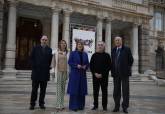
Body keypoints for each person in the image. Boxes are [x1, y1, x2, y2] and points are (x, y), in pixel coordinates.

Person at [29, 35, 52, 110]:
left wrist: (48, 68)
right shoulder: (35, 48)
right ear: (40, 40)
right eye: (43, 39)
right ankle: (32, 104)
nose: (44, 41)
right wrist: (34, 66)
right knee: (34, 90)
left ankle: (41, 103)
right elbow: (31, 58)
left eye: (45, 40)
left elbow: (50, 61)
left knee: (43, 90)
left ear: (47, 41)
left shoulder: (49, 49)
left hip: (45, 73)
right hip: (36, 73)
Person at [111, 36, 134, 113]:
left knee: (125, 91)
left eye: (118, 40)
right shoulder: (113, 50)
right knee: (116, 91)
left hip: (124, 74)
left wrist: (126, 68)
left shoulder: (127, 49)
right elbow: (112, 61)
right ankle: (116, 106)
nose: (117, 41)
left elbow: (131, 60)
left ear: (121, 41)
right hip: (116, 74)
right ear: (114, 42)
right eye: (116, 40)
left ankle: (125, 107)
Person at [67, 41, 89, 111]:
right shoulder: (73, 53)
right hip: (75, 74)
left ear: (83, 46)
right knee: (74, 90)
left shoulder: (85, 54)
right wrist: (77, 65)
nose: (80, 45)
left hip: (82, 74)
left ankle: (81, 106)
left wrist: (85, 66)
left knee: (81, 90)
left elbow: (88, 63)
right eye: (79, 44)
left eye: (81, 44)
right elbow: (69, 62)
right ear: (76, 45)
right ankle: (74, 106)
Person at [90, 41, 111, 111]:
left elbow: (109, 66)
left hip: (104, 77)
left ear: (104, 46)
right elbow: (91, 66)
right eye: (99, 45)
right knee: (95, 92)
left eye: (101, 45)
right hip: (95, 77)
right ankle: (95, 105)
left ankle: (104, 106)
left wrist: (102, 74)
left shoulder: (107, 55)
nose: (100, 46)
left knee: (104, 92)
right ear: (97, 46)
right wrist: (95, 73)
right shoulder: (94, 55)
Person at [53, 40, 68, 111]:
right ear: (60, 44)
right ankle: (58, 104)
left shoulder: (67, 53)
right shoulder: (56, 52)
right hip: (58, 71)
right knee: (58, 88)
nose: (63, 44)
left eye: (64, 44)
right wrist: (52, 71)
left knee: (63, 88)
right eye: (62, 43)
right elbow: (53, 62)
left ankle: (62, 104)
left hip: (65, 72)